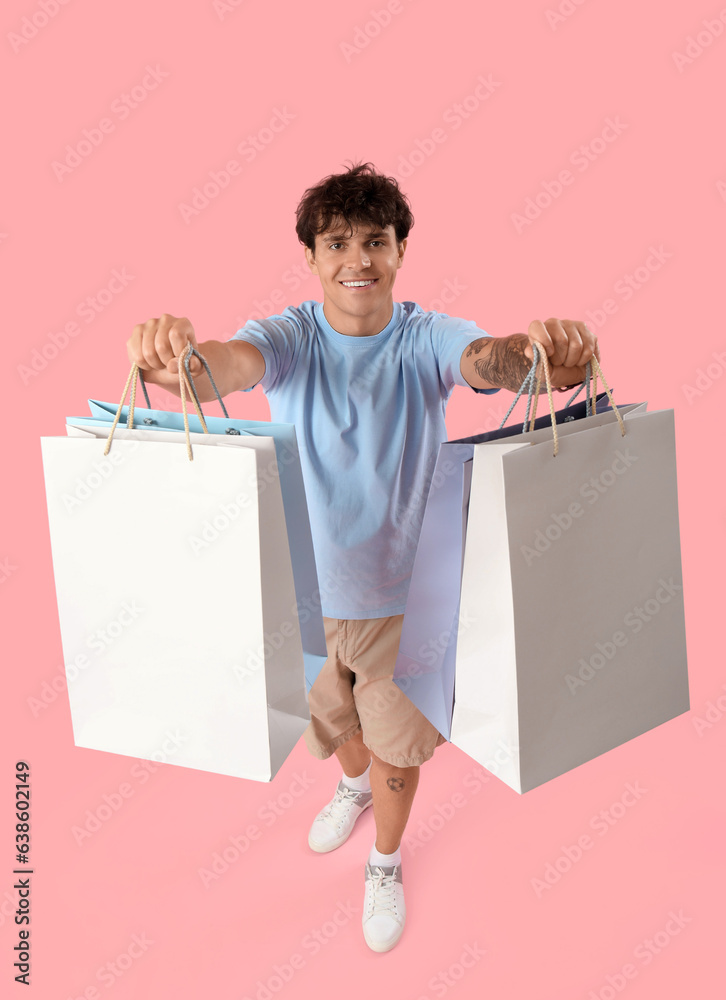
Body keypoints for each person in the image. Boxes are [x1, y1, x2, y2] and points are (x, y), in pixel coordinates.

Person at [126, 162, 599, 954]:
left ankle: (385, 859)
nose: (358, 259)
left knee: (396, 750)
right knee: (337, 725)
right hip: (302, 596)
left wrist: (546, 354)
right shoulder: (288, 336)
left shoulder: (424, 337)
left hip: (404, 602)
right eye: (337, 242)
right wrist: (168, 359)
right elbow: (222, 368)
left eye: (375, 241)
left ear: (401, 250)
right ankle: (349, 786)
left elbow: (493, 360)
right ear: (310, 257)